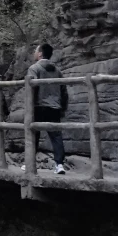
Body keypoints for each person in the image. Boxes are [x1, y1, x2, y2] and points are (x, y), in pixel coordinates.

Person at [27, 41, 68, 173]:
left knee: (33, 134)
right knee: (56, 135)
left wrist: (29, 107)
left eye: (36, 51)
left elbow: (31, 88)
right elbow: (64, 91)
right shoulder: (57, 71)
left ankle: (30, 163)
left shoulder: (34, 68)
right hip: (55, 106)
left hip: (39, 106)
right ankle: (59, 164)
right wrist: (63, 107)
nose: (34, 53)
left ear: (40, 54)